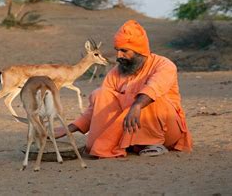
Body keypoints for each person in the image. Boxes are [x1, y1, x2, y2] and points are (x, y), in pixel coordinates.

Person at [55, 20, 193, 158]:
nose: (119, 56)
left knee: (149, 98)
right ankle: (119, 143)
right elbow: (98, 107)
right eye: (117, 50)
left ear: (139, 51)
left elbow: (154, 86)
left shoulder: (164, 65)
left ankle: (153, 143)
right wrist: (69, 129)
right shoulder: (116, 72)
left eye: (124, 51)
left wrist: (137, 105)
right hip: (131, 129)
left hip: (167, 131)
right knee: (101, 94)